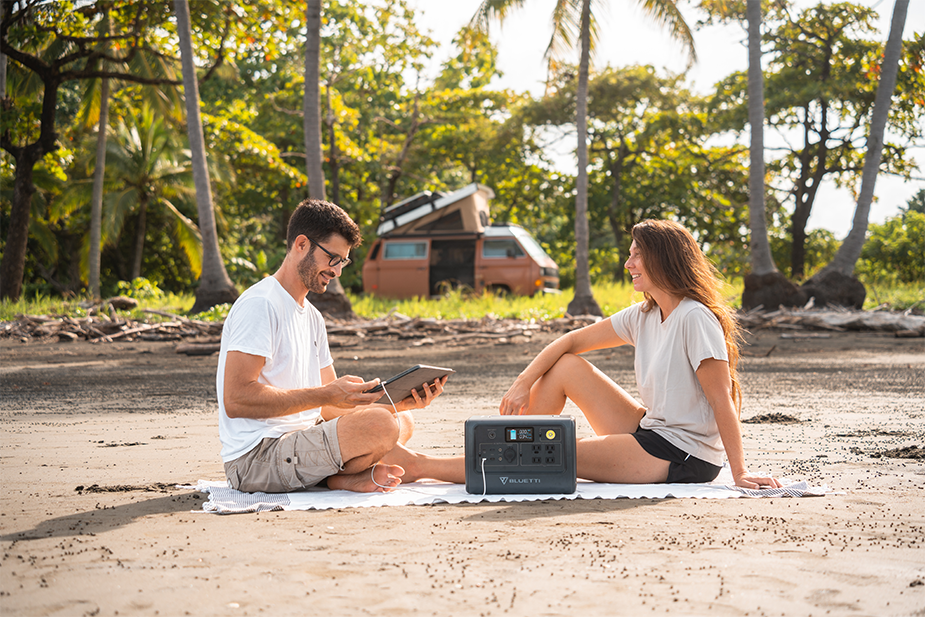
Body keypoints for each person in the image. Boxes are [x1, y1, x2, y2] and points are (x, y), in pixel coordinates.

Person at [390, 219, 780, 489]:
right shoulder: (646, 314)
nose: (628, 264)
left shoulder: (694, 318)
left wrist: (739, 471)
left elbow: (721, 399)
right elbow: (570, 342)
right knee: (566, 367)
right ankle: (517, 451)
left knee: (552, 456)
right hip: (650, 429)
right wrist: (524, 383)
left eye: (636, 256)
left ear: (664, 259)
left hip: (682, 453)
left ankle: (420, 465)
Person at [217, 198, 445, 494]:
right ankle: (418, 467)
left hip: (301, 441)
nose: (337, 271)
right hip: (256, 459)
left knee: (401, 419)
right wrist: (330, 393)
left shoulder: (312, 317)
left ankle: (337, 477)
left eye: (343, 262)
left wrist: (399, 402)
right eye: (333, 259)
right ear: (301, 244)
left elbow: (327, 407)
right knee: (381, 426)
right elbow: (236, 400)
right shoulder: (261, 304)